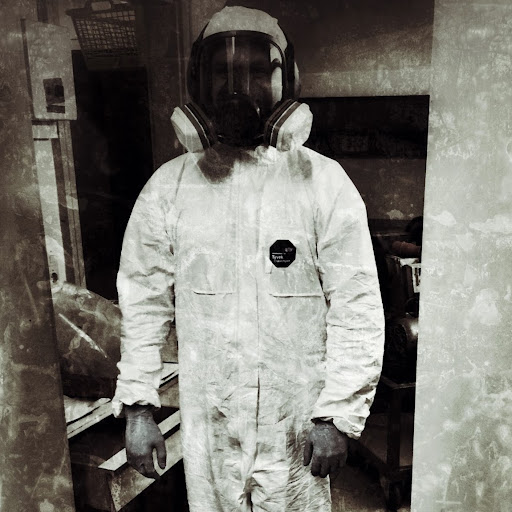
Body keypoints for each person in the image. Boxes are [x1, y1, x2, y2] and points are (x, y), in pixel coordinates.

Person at [113, 6, 384, 512]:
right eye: (222, 72)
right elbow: (144, 303)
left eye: (260, 71)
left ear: (288, 79)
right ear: (199, 80)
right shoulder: (168, 188)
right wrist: (139, 409)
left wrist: (337, 416)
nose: (239, 87)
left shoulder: (323, 184)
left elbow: (357, 308)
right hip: (209, 429)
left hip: (296, 428)